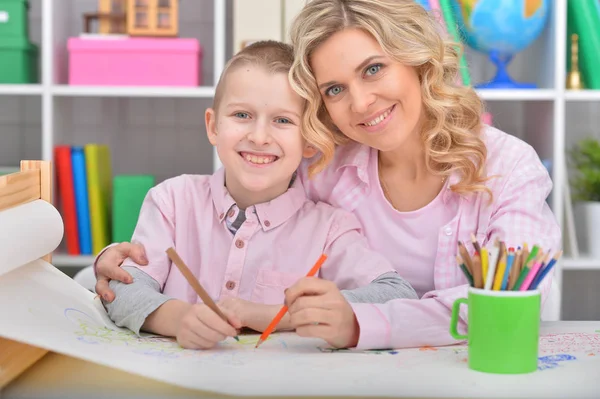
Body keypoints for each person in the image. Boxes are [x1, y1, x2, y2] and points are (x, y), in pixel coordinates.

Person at [95, 1, 561, 350]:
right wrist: (119, 261)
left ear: (419, 60)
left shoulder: (507, 166)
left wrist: (361, 323)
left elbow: (516, 302)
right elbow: (234, 199)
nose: (359, 104)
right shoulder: (321, 164)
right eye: (335, 89)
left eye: (374, 69)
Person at [101, 40, 418, 350]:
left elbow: (397, 294)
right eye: (242, 115)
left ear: (310, 140)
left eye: (282, 121)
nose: (259, 137)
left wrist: (280, 316)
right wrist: (180, 318)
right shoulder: (172, 201)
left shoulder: (330, 229)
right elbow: (122, 290)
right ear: (213, 126)